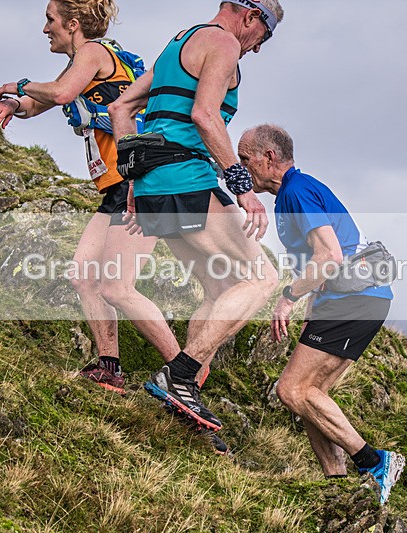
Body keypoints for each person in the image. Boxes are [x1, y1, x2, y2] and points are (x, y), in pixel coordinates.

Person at [0, 0, 183, 397]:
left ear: (73, 24)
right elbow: (39, 103)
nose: (45, 29)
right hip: (115, 187)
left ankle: (185, 373)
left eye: (50, 20)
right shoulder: (85, 63)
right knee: (83, 276)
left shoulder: (94, 52)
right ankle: (110, 367)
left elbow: (59, 94)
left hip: (138, 183)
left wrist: (16, 85)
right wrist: (12, 104)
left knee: (117, 287)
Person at [107, 0, 283, 433]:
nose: (257, 48)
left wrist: (133, 180)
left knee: (219, 285)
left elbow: (120, 110)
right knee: (262, 277)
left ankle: (185, 391)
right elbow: (205, 116)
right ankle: (178, 375)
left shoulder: (177, 44)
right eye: (264, 35)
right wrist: (243, 188)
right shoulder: (223, 43)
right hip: (188, 178)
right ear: (250, 16)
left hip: (153, 185)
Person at [238, 124, 405, 505]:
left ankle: (375, 461)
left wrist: (287, 298)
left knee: (291, 390)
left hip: (356, 299)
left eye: (246, 158)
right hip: (353, 300)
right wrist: (311, 306)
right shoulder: (294, 192)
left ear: (269, 158)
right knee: (311, 396)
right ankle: (339, 483)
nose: (242, 166)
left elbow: (330, 255)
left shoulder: (296, 191)